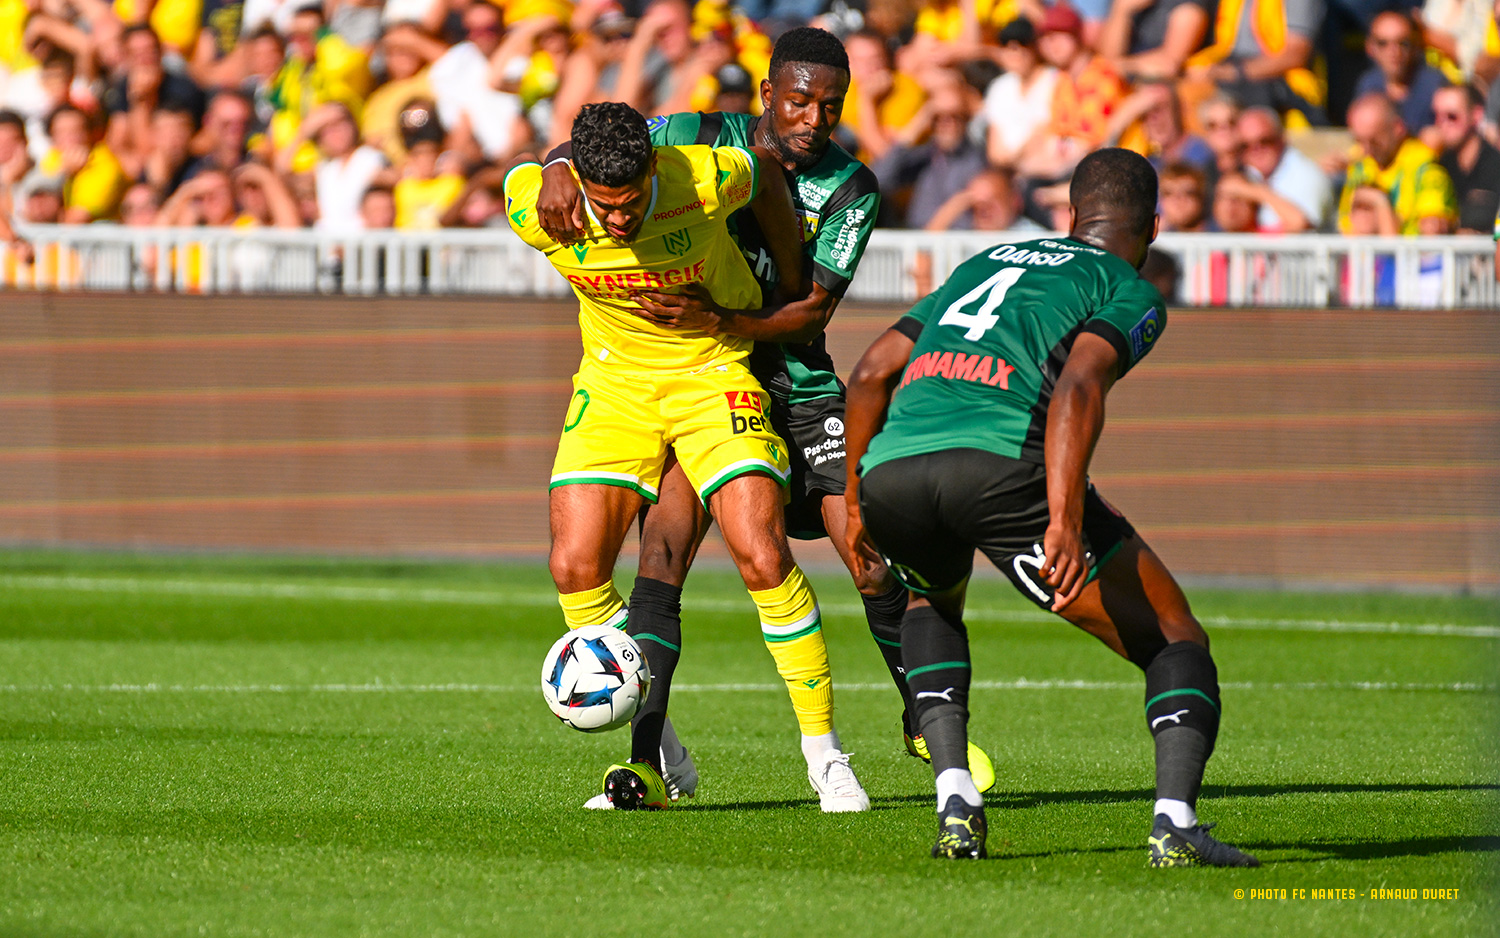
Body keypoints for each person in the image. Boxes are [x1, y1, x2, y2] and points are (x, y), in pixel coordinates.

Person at [534, 28, 996, 805]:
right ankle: (648, 759)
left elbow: (812, 305)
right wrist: (551, 165)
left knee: (870, 550)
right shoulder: (693, 136)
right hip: (697, 377)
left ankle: (922, 721)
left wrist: (719, 320)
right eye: (800, 100)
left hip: (794, 376)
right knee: (662, 561)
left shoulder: (853, 186)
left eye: (831, 105)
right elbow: (595, 147)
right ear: (767, 95)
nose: (814, 118)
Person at [844, 147, 1259, 868]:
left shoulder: (986, 262)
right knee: (1173, 638)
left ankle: (956, 800)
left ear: (1069, 216)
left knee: (931, 605)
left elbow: (872, 370)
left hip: (893, 477)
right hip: (1001, 471)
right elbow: (1077, 388)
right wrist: (1063, 519)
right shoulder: (1126, 286)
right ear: (1154, 226)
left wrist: (854, 504)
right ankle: (1174, 824)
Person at [506, 100, 871, 813]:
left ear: (653, 172)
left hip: (712, 372)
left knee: (762, 554)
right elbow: (520, 177)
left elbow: (765, 174)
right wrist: (551, 167)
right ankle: (657, 741)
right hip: (613, 382)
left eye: (631, 201)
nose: (617, 221)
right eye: (603, 205)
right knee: (573, 566)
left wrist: (786, 284)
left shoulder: (702, 177)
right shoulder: (542, 209)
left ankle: (825, 758)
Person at [1337, 92, 1456, 235]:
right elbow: (1346, 227)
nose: (1366, 149)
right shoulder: (1360, 166)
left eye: (1374, 142)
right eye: (1359, 141)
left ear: (1397, 128)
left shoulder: (1427, 170)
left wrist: (1380, 203)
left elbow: (1430, 238)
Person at [1352, 11, 1448, 143]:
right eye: (1383, 43)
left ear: (1416, 46)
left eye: (1403, 43)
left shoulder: (1436, 86)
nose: (1394, 52)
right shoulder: (1368, 85)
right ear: (1369, 47)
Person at [1235, 105, 1331, 231]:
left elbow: (1300, 227)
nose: (1256, 151)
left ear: (1282, 138)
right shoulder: (1250, 174)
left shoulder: (1306, 175)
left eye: (1264, 141)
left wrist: (1256, 192)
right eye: (1245, 146)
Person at [1432, 83, 1500, 234]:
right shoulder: (1438, 166)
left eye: (1452, 116)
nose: (1442, 124)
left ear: (1476, 115)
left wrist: (1486, 235)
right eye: (1436, 116)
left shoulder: (1496, 166)